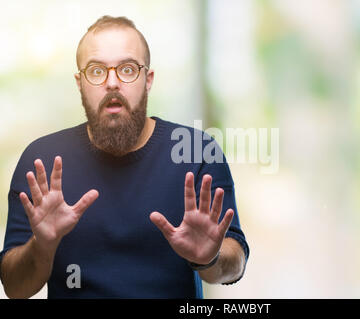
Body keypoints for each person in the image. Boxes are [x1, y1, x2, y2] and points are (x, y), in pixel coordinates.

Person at [0, 15, 249, 299]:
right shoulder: (42, 161)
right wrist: (41, 245)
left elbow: (236, 263)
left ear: (148, 80)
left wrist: (209, 259)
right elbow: (15, 288)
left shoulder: (197, 151)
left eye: (128, 69)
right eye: (96, 71)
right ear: (80, 83)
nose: (113, 83)